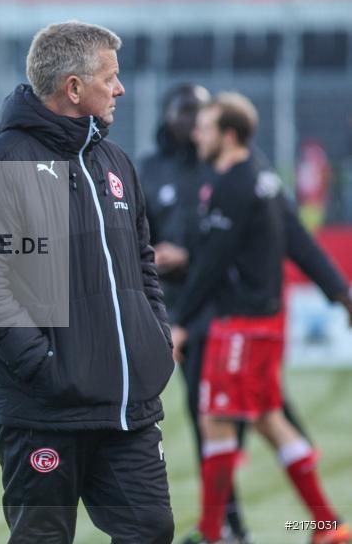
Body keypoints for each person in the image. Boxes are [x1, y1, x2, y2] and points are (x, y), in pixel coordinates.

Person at [0, 21, 175, 543]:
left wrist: (154, 337)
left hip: (127, 408)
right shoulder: (1, 165)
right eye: (109, 78)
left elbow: (143, 262)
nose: (120, 89)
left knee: (151, 530)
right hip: (43, 412)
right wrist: (44, 365)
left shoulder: (115, 161)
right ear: (74, 88)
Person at [140, 84, 352, 543]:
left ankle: (218, 531)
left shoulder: (232, 185)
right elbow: (289, 242)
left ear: (229, 134)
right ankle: (325, 525)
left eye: (206, 125)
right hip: (255, 321)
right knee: (268, 419)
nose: (197, 133)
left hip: (237, 324)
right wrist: (341, 293)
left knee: (217, 419)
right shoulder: (258, 177)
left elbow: (214, 262)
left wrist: (180, 322)